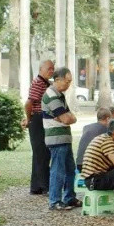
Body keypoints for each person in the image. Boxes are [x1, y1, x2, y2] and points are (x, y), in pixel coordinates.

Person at [41, 67, 79, 211]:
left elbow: (71, 118)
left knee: (70, 169)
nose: (68, 85)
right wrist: (66, 118)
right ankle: (55, 200)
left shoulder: (60, 95)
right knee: (58, 170)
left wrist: (67, 118)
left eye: (70, 82)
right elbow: (66, 118)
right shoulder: (51, 95)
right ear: (57, 79)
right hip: (56, 138)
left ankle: (69, 197)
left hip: (64, 137)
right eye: (67, 81)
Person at [22, 59, 54, 195]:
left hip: (43, 119)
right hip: (37, 119)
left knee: (41, 153)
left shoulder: (46, 83)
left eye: (53, 68)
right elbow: (29, 103)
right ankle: (45, 185)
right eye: (49, 69)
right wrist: (29, 119)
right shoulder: (38, 83)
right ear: (41, 69)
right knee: (41, 153)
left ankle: (36, 187)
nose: (51, 71)